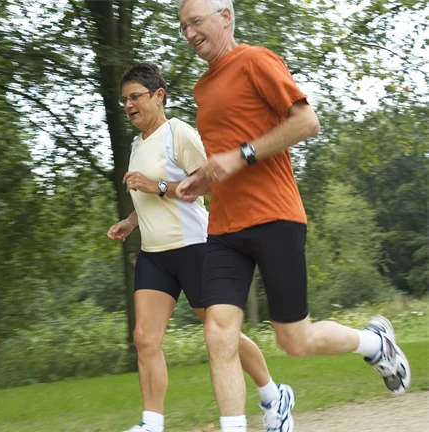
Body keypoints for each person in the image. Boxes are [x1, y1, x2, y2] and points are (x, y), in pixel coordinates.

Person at [174, 1, 412, 431]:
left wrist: (242, 155)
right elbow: (225, 159)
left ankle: (374, 343)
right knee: (218, 332)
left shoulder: (256, 61)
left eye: (196, 22)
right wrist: (203, 180)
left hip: (275, 217)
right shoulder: (202, 88)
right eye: (183, 26)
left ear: (224, 16)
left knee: (294, 341)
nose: (189, 33)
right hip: (225, 228)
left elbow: (307, 122)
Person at [108, 63, 294, 432]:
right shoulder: (135, 144)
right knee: (145, 338)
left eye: (135, 97)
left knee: (221, 334)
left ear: (158, 95)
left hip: (194, 248)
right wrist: (130, 222)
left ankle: (273, 394)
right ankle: (151, 423)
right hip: (155, 255)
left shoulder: (177, 133)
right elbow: (149, 193)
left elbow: (209, 185)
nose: (128, 105)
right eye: (124, 99)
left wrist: (157, 186)